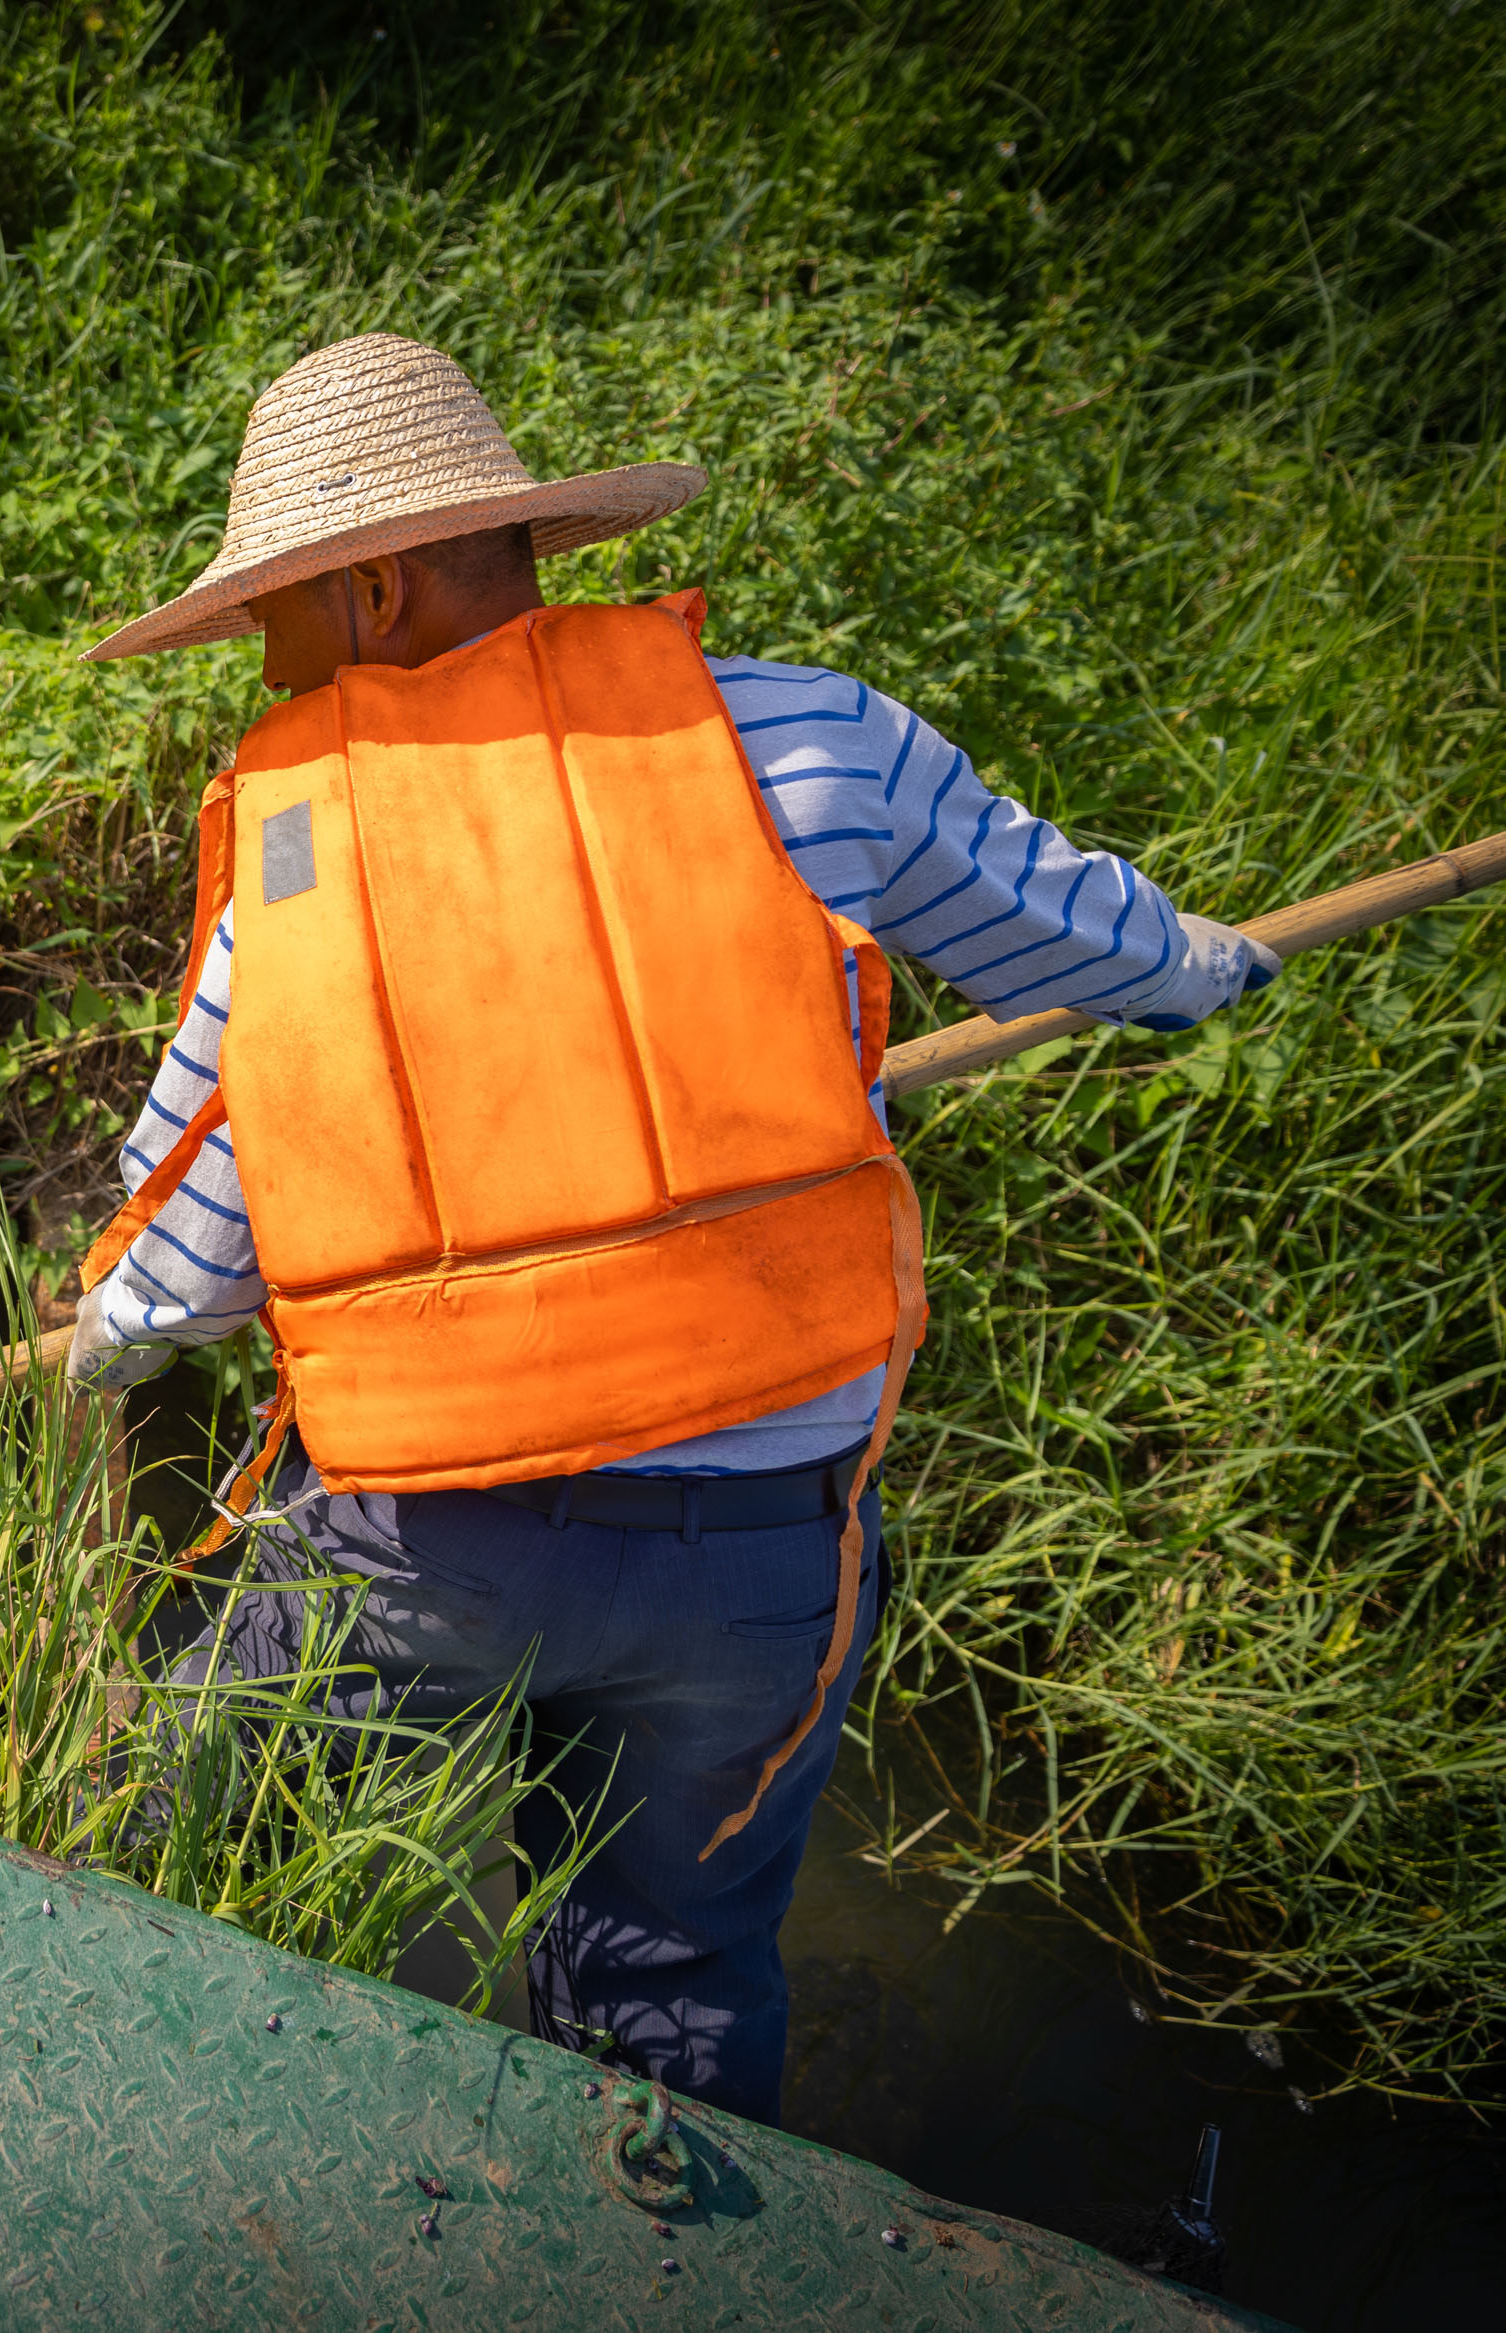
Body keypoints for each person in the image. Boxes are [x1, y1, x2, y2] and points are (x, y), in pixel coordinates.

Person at [63, 334, 1276, 2128]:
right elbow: (1083, 939)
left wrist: (100, 1339)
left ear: (374, 586)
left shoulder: (299, 854)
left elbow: (187, 1252)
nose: (266, 666)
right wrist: (1206, 967)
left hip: (424, 1550)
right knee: (672, 1978)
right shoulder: (805, 735)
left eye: (276, 620)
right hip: (763, 1560)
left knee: (183, 1854)